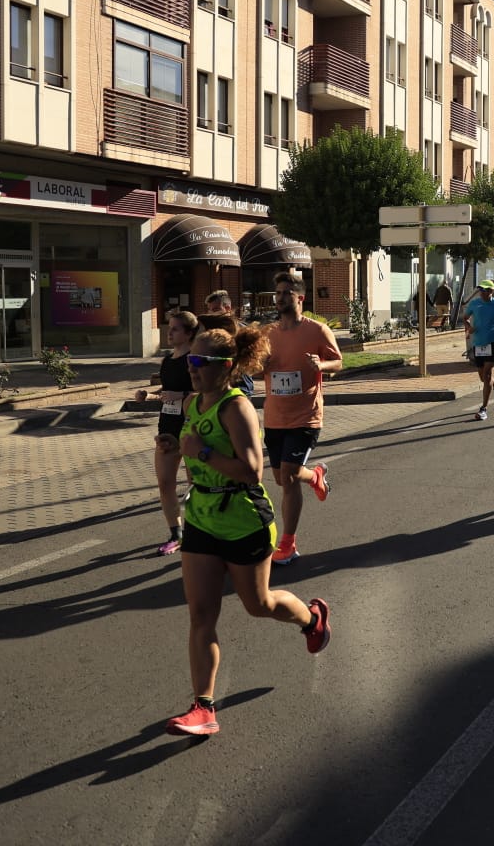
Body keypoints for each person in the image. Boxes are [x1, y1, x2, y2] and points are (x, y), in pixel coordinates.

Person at [163, 325, 332, 737]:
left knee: (258, 604)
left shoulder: (235, 407)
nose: (191, 368)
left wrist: (202, 452)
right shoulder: (192, 404)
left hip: (243, 517)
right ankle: (203, 707)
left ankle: (312, 620)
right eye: (190, 360)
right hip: (202, 516)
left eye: (199, 361)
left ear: (226, 367)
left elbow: (253, 470)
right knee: (201, 615)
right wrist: (178, 449)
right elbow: (192, 453)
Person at [261, 271, 342, 566]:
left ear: (300, 298)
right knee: (281, 478)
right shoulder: (268, 333)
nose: (280, 298)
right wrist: (258, 365)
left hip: (306, 416)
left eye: (286, 293)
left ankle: (288, 543)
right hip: (274, 415)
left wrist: (321, 365)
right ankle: (316, 476)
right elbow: (256, 368)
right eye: (278, 293)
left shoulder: (317, 330)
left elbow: (338, 362)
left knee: (290, 476)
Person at [134, 309, 198, 555]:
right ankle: (176, 533)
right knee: (165, 483)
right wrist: (148, 395)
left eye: (175, 329)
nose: (169, 333)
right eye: (168, 328)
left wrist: (181, 395)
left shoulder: (195, 359)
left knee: (195, 484)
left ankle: (197, 529)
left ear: (189, 333)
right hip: (167, 428)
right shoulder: (168, 360)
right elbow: (167, 391)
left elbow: (206, 392)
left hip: (192, 428)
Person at [463, 278, 494, 420]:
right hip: (478, 343)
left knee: (487, 375)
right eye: (480, 290)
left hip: (492, 342)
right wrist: (469, 327)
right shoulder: (474, 303)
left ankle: (483, 408)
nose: (482, 292)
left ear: (491, 291)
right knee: (483, 378)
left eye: (485, 290)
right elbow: (465, 318)